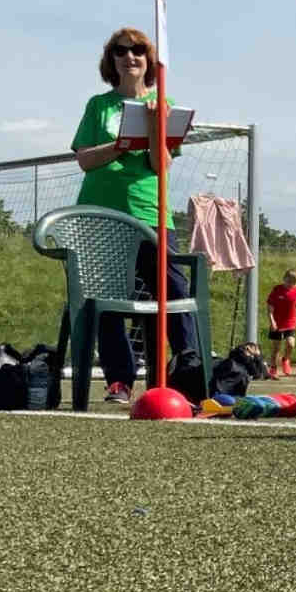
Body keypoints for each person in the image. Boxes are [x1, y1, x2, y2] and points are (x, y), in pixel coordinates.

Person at [69, 26, 199, 405]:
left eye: (139, 50)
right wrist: (120, 145)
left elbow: (161, 166)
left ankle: (184, 375)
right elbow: (85, 159)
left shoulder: (165, 102)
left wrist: (157, 127)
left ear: (148, 60)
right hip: (102, 215)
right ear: (111, 61)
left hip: (150, 214)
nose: (131, 57)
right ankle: (119, 380)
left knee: (173, 292)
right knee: (108, 298)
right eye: (121, 51)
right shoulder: (98, 105)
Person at [265, 268, 296, 379]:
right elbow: (270, 307)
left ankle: (286, 359)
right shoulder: (276, 290)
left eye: (294, 282)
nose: (291, 284)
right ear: (284, 279)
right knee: (276, 347)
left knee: (291, 343)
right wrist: (272, 321)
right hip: (277, 323)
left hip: (290, 322)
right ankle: (273, 367)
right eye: (289, 281)